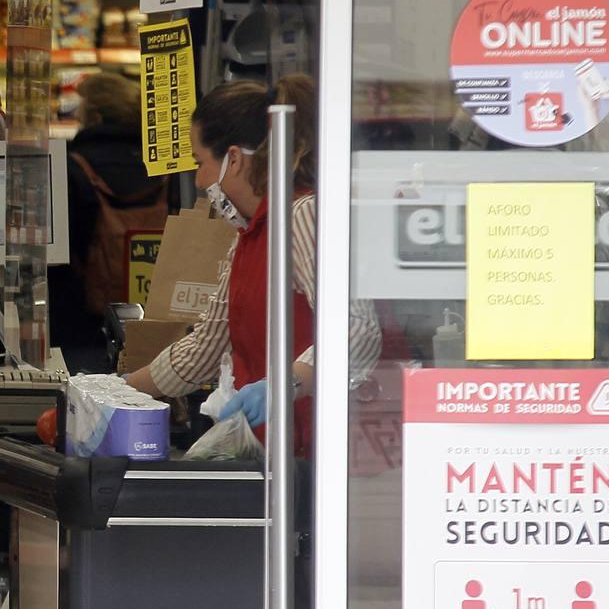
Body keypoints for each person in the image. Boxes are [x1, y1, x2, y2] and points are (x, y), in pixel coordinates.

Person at [123, 74, 381, 456]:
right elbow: (204, 350)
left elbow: (357, 328)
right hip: (280, 454)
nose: (198, 180)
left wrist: (286, 384)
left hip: (332, 457)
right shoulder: (250, 235)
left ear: (234, 159)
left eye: (201, 162)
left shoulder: (304, 217)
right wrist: (118, 391)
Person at [51, 71, 169, 373]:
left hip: (84, 327)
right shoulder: (166, 167)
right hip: (155, 316)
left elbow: (64, 251)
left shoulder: (72, 166)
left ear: (95, 115)